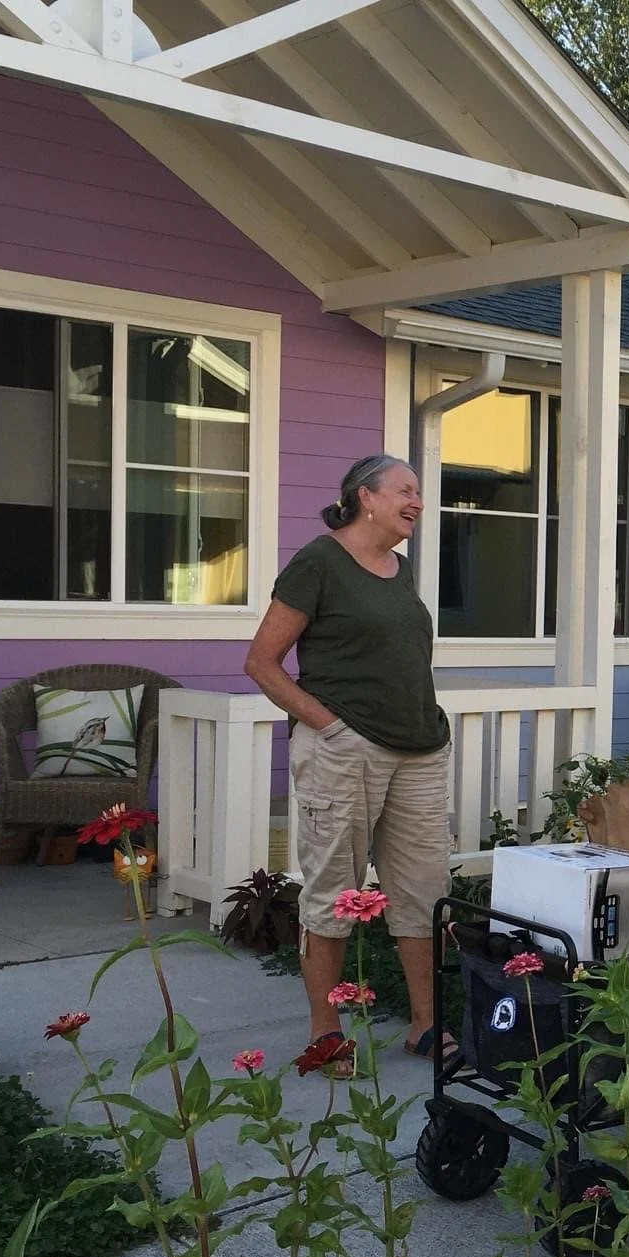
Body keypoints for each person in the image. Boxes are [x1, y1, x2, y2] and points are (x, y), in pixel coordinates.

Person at [245, 455, 454, 1066]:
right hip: (345, 750)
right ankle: (326, 1029)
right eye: (405, 490)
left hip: (419, 750)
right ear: (366, 497)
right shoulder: (319, 562)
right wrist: (329, 725)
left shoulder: (401, 569)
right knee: (335, 891)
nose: (417, 501)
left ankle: (424, 1024)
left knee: (422, 891)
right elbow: (261, 661)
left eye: (419, 493)